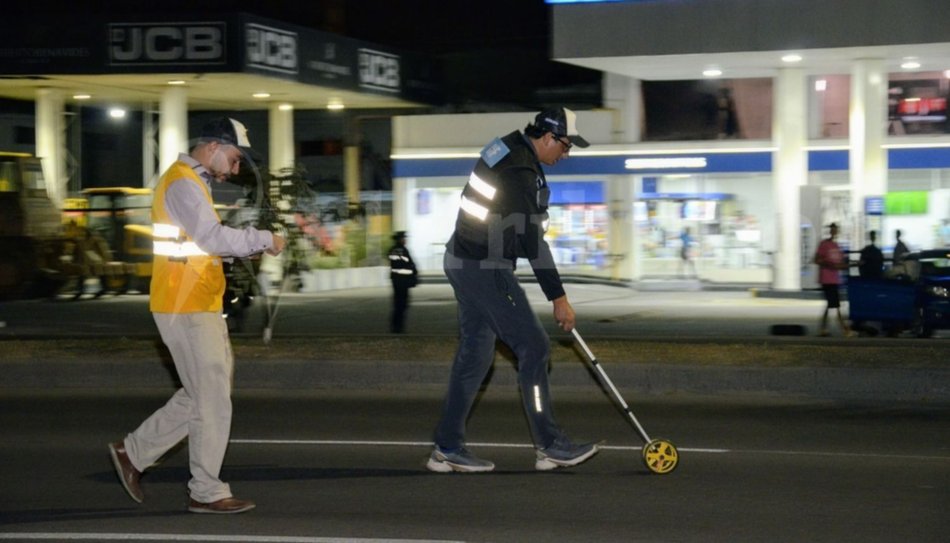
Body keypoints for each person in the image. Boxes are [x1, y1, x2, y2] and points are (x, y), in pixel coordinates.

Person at [108, 117, 286, 514]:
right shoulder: (185, 182)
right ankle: (206, 491)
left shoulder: (191, 181)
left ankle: (132, 452)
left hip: (193, 302)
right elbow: (212, 238)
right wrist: (263, 239)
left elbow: (205, 245)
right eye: (236, 159)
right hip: (184, 304)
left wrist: (248, 247)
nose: (237, 169)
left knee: (201, 394)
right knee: (213, 400)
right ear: (213, 146)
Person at [427, 107, 601, 473]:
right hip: (481, 266)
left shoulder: (508, 148)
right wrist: (559, 299)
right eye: (566, 147)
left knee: (476, 353)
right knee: (534, 347)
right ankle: (550, 445)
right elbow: (532, 241)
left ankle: (446, 447)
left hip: (463, 258)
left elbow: (510, 226)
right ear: (549, 138)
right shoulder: (521, 169)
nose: (566, 155)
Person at [813, 222, 854, 337]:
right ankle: (845, 330)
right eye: (832, 229)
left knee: (831, 304)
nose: (834, 232)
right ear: (830, 231)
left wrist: (853, 264)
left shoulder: (837, 247)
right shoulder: (824, 244)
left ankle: (823, 328)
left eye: (835, 230)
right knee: (836, 305)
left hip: (834, 279)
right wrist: (828, 264)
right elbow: (817, 260)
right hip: (826, 279)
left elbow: (840, 264)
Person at [388, 230, 418, 333]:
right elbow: (407, 264)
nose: (405, 240)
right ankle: (397, 327)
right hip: (401, 281)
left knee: (399, 304)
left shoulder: (394, 249)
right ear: (399, 239)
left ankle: (397, 326)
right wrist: (413, 271)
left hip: (398, 280)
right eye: (403, 238)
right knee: (401, 304)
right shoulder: (400, 250)